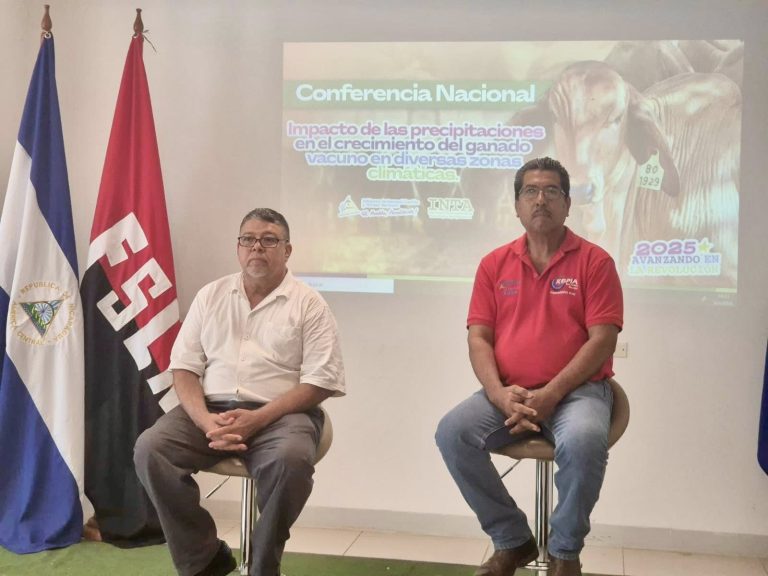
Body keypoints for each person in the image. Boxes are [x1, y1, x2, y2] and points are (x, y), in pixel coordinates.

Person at [435, 157, 623, 576]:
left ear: (568, 204)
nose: (541, 200)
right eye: (530, 192)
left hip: (578, 393)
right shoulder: (493, 264)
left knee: (584, 441)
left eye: (552, 191)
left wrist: (551, 394)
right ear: (517, 205)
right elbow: (478, 338)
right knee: (452, 433)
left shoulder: (595, 262)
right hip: (509, 392)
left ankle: (564, 551)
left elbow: (603, 339)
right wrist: (500, 395)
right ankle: (513, 540)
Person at [135, 208, 345, 576]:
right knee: (151, 450)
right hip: (210, 409)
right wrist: (205, 421)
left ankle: (264, 566)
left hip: (281, 414)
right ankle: (205, 561)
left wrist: (258, 419)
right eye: (248, 239)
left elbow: (320, 381)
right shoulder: (211, 295)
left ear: (287, 250)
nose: (256, 248)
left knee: (290, 461)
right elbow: (183, 368)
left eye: (268, 240)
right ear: (238, 248)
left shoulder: (309, 303)